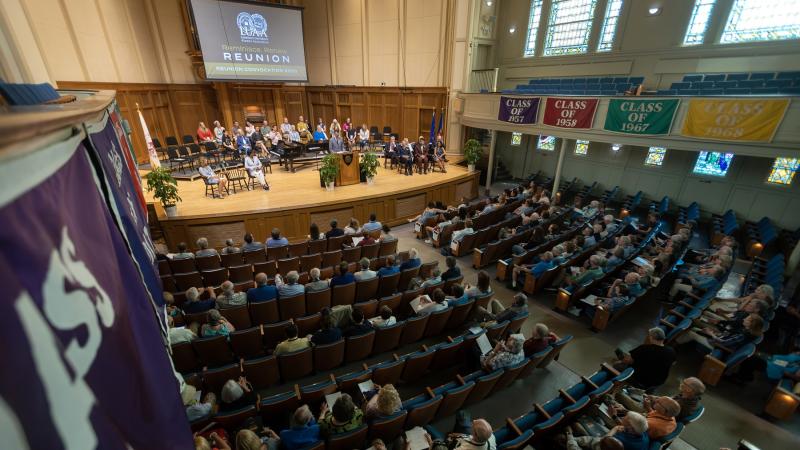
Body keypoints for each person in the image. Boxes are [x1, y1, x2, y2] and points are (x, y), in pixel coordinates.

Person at [571, 411, 648, 450]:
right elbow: (624, 426)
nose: (622, 418)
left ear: (630, 427)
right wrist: (614, 417)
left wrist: (615, 429)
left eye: (625, 418)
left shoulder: (623, 442)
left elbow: (604, 441)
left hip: (604, 443)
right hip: (610, 439)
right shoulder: (643, 432)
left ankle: (571, 436)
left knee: (577, 425)